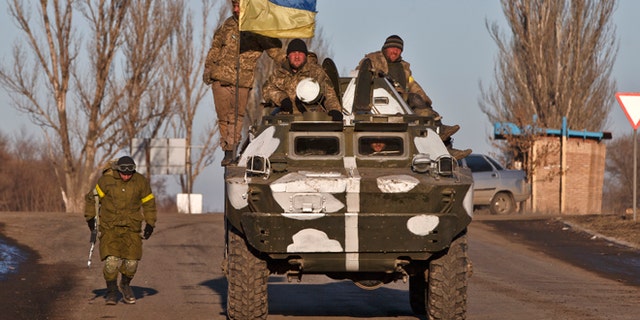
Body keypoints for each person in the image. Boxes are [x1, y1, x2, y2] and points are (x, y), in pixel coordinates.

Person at [358, 35, 471, 159]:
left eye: (398, 49)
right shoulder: (372, 60)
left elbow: (412, 84)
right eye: (392, 48)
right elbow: (359, 79)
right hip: (382, 100)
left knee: (428, 113)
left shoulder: (404, 67)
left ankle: (448, 148)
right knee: (416, 101)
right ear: (385, 48)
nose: (395, 51)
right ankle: (441, 131)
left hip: (403, 102)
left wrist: (426, 102)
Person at [203, 0, 283, 166]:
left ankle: (231, 149)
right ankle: (227, 148)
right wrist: (208, 69)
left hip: (242, 80)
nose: (236, 9)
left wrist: (290, 62)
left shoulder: (257, 26)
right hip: (220, 78)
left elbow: (274, 50)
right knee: (223, 118)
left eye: (240, 6)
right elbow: (215, 46)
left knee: (236, 116)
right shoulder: (228, 24)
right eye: (234, 6)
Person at [84, 156, 157, 305]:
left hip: (132, 229)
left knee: (131, 264)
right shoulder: (106, 181)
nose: (126, 176)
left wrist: (150, 224)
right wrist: (90, 219)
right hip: (110, 228)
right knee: (111, 263)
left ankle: (125, 284)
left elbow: (149, 203)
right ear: (118, 170)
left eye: (129, 173)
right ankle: (111, 291)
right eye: (123, 173)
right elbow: (92, 199)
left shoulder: (140, 182)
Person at [262, 39, 343, 121]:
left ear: (306, 55)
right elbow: (267, 89)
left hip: (310, 118)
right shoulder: (279, 72)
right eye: (293, 53)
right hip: (285, 119)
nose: (297, 57)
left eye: (300, 53)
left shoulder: (315, 72)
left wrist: (335, 110)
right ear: (288, 56)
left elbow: (329, 94)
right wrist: (282, 99)